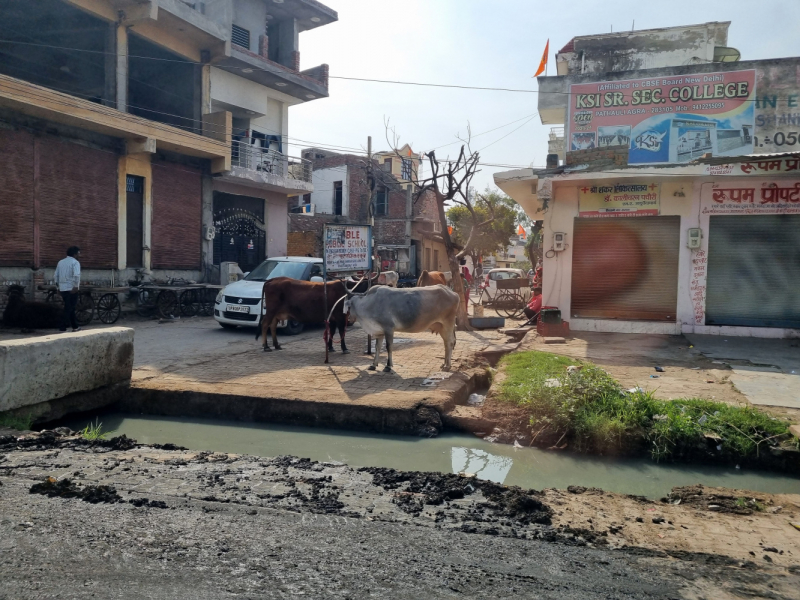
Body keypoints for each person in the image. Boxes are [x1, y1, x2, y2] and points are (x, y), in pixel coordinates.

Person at [54, 246, 82, 332]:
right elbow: (76, 275)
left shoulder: (60, 262)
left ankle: (75, 326)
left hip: (63, 288)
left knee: (69, 307)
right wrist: (76, 286)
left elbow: (56, 276)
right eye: (78, 253)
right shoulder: (75, 263)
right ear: (74, 254)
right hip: (71, 288)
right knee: (69, 308)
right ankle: (62, 325)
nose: (79, 254)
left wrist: (57, 287)